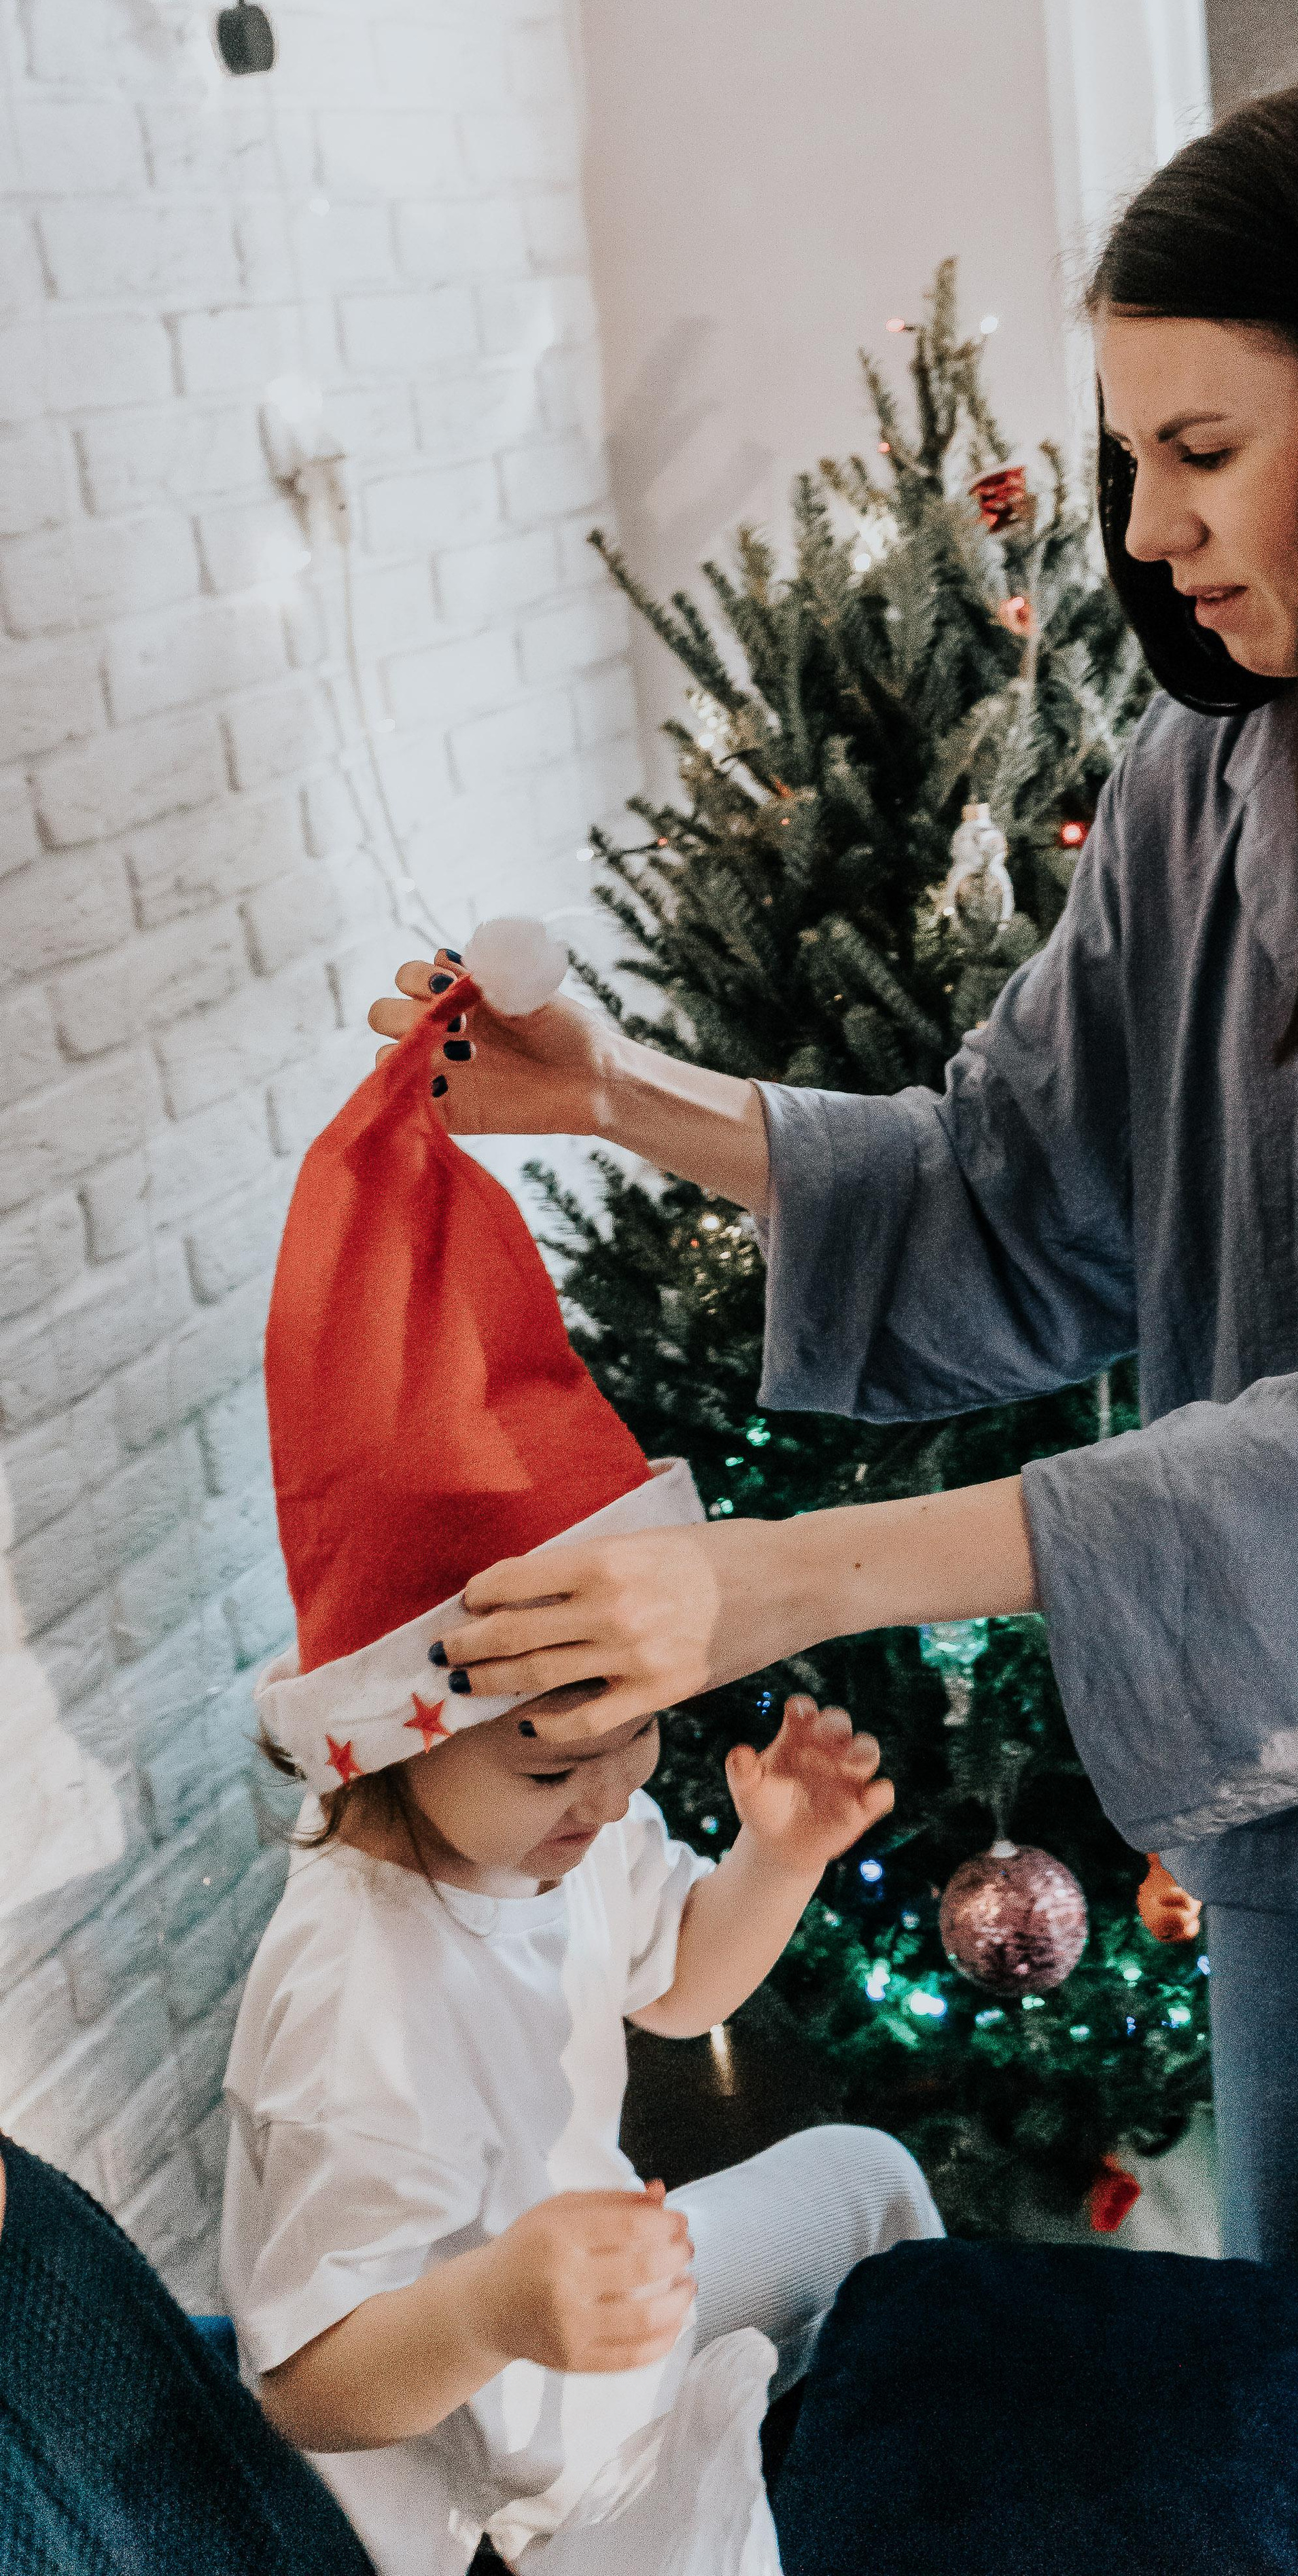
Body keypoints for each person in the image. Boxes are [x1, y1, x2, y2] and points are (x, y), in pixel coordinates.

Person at [368, 83, 1298, 2286]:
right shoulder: (1208, 775)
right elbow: (1007, 1187)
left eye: (1203, 450)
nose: (1149, 526)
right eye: (1127, 459)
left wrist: (773, 1586)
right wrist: (619, 1092)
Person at [222, 963, 941, 2576]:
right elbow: (309, 2387)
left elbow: (678, 1992)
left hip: (622, 2328)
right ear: (398, 1736)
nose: (613, 1798)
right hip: (521, 2489)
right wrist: (491, 2305)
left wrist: (777, 1859)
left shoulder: (555, 1824)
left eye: (641, 1736)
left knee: (869, 2183)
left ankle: (870, 2434)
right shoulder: (353, 1997)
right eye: (561, 1763)